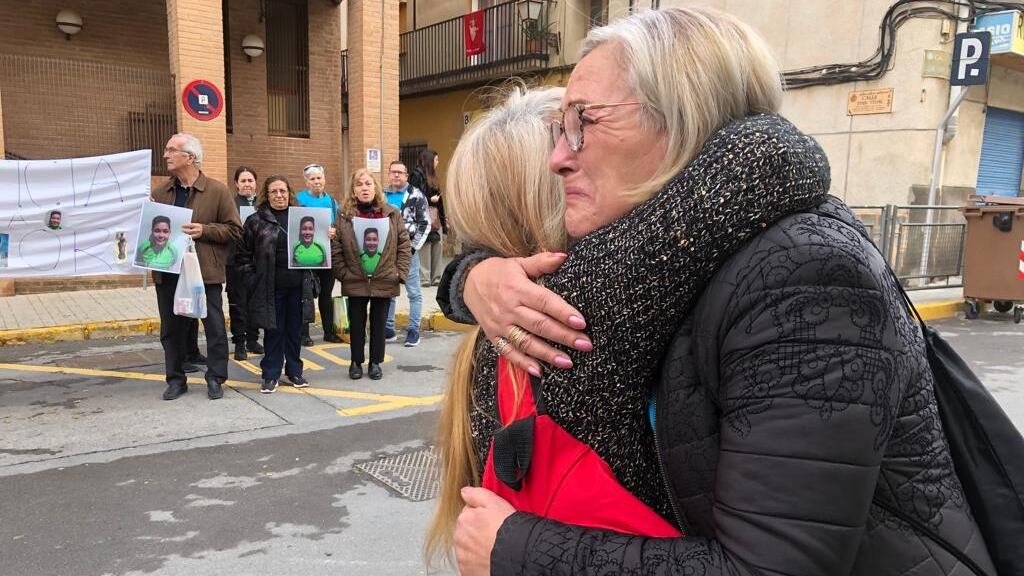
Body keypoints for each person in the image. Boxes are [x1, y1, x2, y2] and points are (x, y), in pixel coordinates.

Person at [436, 8, 994, 576]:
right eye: (560, 128)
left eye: (587, 122)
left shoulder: (806, 276)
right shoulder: (670, 252)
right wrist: (473, 277)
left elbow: (771, 568)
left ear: (681, 121)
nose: (558, 157)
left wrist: (515, 551)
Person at [152, 133, 241, 401]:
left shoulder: (217, 191)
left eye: (171, 150)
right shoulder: (160, 193)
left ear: (189, 157)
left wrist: (205, 230)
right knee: (171, 329)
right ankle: (176, 379)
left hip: (205, 272)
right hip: (168, 270)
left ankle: (215, 377)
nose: (165, 155)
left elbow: (235, 231)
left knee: (213, 326)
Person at [236, 175, 317, 394]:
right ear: (266, 194)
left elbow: (315, 247)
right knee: (273, 330)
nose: (279, 195)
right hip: (270, 286)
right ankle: (270, 374)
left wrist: (326, 236)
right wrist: (253, 280)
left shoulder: (303, 217)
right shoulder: (255, 221)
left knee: (295, 330)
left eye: (283, 191)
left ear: (289, 193)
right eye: (274, 192)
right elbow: (243, 256)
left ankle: (294, 371)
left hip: (298, 285)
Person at [331, 168, 410, 381]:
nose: (364, 188)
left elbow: (404, 244)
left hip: (385, 278)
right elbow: (336, 246)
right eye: (359, 184)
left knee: (379, 323)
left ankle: (375, 362)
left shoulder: (391, 213)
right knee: (356, 324)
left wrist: (399, 273)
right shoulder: (344, 215)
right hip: (355, 278)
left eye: (368, 184)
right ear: (353, 190)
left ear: (375, 188)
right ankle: (356, 361)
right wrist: (343, 273)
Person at [383, 160, 430, 346]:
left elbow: (424, 224)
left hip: (408, 251)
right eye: (393, 172)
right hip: (386, 252)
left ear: (406, 175)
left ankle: (413, 330)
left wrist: (411, 248)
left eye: (400, 172)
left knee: (413, 292)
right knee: (389, 289)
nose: (396, 175)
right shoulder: (382, 196)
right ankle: (388, 328)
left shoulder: (416, 196)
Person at [296, 163, 340, 345]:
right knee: (305, 294)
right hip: (305, 253)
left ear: (325, 179)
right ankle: (304, 333)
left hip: (326, 253)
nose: (316, 182)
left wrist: (334, 231)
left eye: (319, 178)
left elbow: (337, 224)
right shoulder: (299, 199)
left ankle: (328, 332)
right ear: (306, 182)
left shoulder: (331, 201)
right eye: (312, 179)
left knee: (326, 294)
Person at [225, 165, 263, 361]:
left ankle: (253, 339)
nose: (247, 184)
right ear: (236, 184)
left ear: (256, 183)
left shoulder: (262, 204)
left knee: (255, 302)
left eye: (250, 180)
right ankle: (239, 342)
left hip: (258, 261)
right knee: (238, 303)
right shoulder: (230, 204)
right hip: (235, 261)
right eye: (243, 181)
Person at [409, 149, 445, 286]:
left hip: (435, 216)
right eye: (436, 159)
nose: (437, 162)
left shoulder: (433, 176)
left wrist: (444, 219)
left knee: (437, 244)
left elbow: (440, 200)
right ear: (430, 161)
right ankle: (424, 278)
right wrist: (430, 200)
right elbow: (414, 196)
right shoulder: (416, 175)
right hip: (422, 216)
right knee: (425, 244)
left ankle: (436, 277)